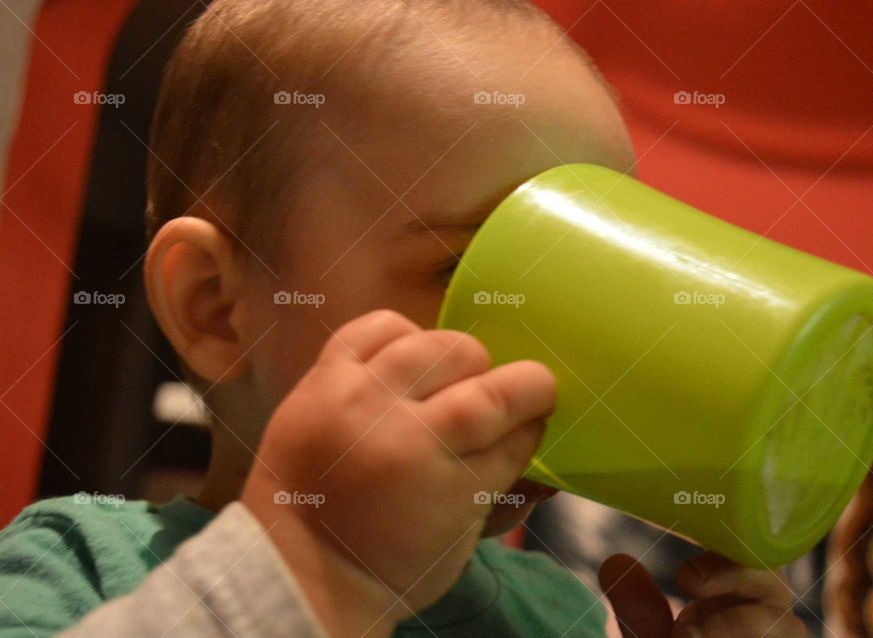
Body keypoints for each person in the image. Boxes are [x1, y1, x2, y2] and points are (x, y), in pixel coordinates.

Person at [0, 1, 807, 636]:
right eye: (464, 271)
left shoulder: (565, 614)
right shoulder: (79, 570)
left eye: (589, 286)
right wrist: (316, 567)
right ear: (216, 308)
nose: (556, 363)